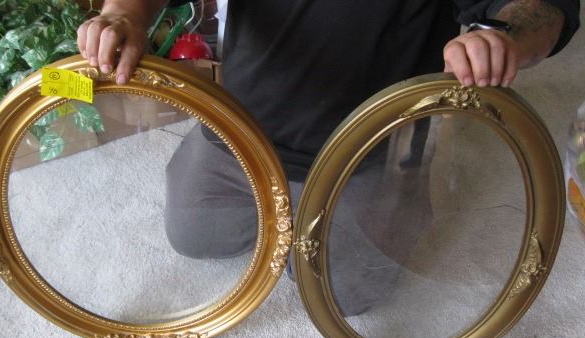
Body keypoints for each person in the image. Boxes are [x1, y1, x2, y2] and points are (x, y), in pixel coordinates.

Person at [77, 1, 580, 316]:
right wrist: (123, 14)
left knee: (347, 297)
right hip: (241, 129)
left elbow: (547, 11)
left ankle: (394, 196)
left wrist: (501, 37)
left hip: (371, 148)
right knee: (192, 237)